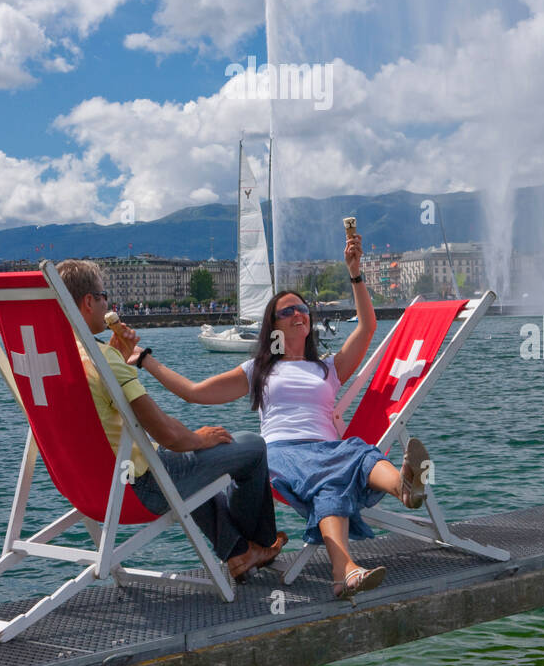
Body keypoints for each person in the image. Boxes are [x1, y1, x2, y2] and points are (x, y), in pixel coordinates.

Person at [126, 235, 428, 600]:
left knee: (358, 454)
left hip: (329, 451)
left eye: (302, 308)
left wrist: (355, 273)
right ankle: (349, 562)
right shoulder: (258, 370)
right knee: (331, 477)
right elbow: (194, 392)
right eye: (287, 311)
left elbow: (366, 328)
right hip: (282, 455)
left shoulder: (328, 368)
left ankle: (391, 507)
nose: (298, 313)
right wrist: (147, 361)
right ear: (273, 327)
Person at [56, 259, 286, 581]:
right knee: (251, 446)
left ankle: (238, 553)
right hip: (141, 489)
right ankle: (259, 545)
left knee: (190, 471)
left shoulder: (54, 359)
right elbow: (166, 433)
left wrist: (118, 355)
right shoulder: (102, 360)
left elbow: (98, 400)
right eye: (103, 295)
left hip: (85, 487)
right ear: (89, 302)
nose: (108, 302)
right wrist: (198, 439)